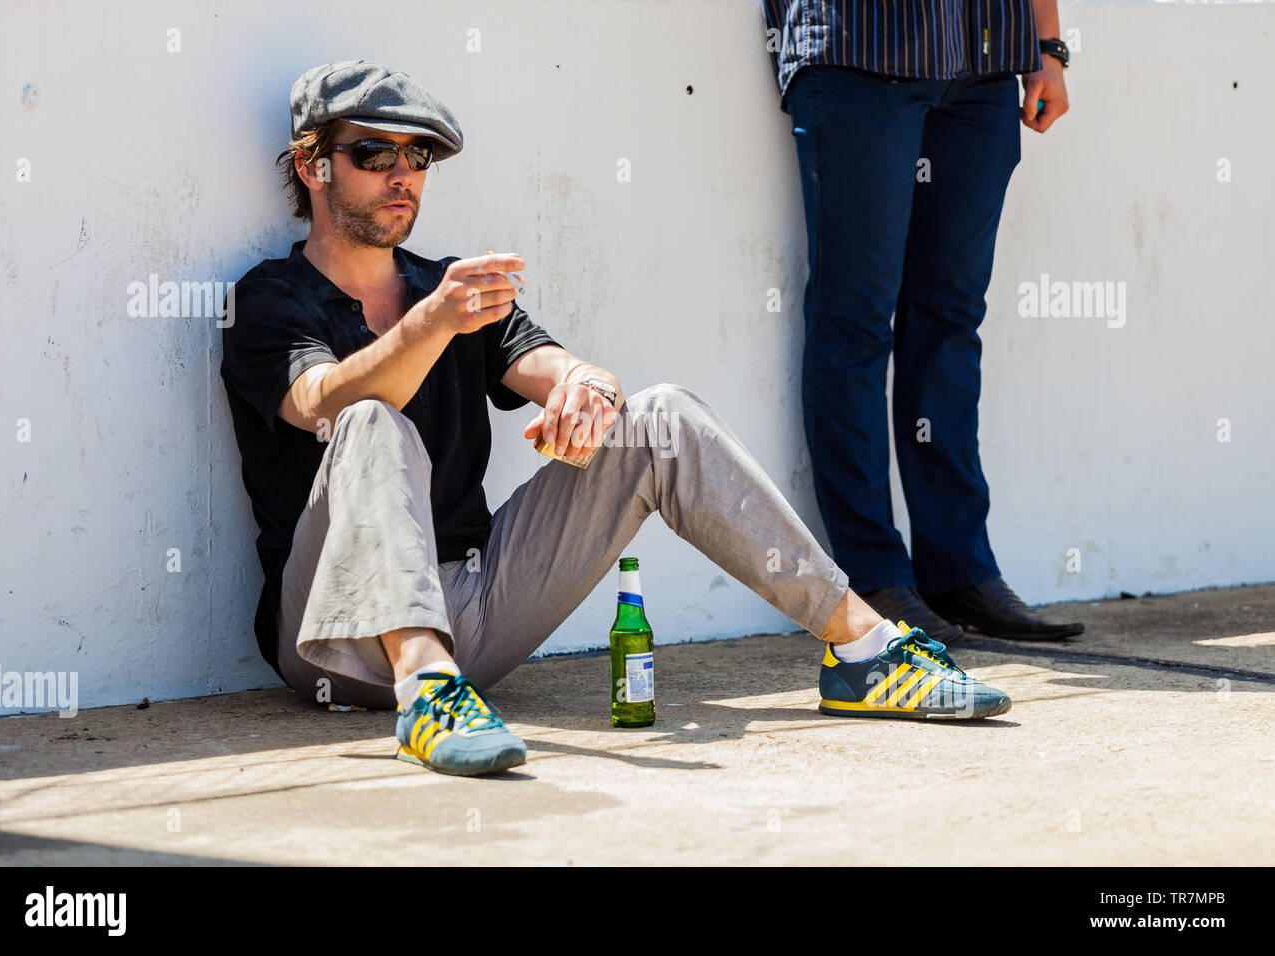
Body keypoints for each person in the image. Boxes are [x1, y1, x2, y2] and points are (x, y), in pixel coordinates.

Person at [220, 60, 1014, 778]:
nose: (402, 175)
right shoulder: (271, 299)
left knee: (658, 418)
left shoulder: (451, 286)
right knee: (369, 420)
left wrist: (587, 390)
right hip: (333, 627)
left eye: (417, 157)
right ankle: (426, 690)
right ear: (312, 165)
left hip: (478, 606)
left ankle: (865, 651)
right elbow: (320, 403)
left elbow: (557, 363)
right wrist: (433, 322)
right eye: (374, 154)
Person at [760, 0, 1085, 643]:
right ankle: (874, 574)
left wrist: (1048, 48)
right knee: (854, 319)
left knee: (951, 318)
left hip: (984, 54)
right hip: (861, 47)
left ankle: (958, 569)